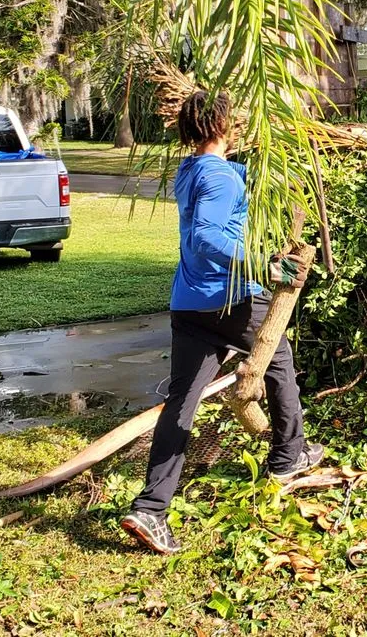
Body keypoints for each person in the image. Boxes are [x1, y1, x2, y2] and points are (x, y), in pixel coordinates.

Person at [120, 90, 323, 554]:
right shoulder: (219, 177)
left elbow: (228, 194)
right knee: (280, 360)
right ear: (221, 127)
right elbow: (209, 237)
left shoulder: (191, 170)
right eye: (234, 121)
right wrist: (261, 266)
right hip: (228, 299)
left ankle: (150, 509)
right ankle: (289, 456)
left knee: (181, 405)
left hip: (189, 303)